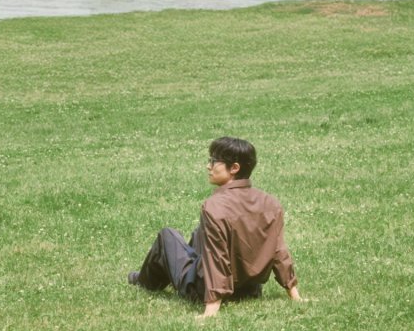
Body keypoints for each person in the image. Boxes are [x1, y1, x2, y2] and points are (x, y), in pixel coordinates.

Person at [128, 136, 302, 317]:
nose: (208, 166)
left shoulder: (215, 206)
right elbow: (279, 251)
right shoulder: (271, 203)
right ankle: (169, 273)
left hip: (203, 290)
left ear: (234, 168)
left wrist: (211, 308)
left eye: (213, 161)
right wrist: (294, 293)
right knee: (198, 233)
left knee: (167, 236)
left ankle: (143, 281)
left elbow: (217, 257)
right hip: (249, 290)